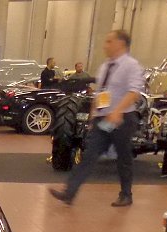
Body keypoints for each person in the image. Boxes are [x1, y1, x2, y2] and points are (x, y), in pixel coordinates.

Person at [50, 29, 144, 207]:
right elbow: (100, 93)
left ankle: (126, 194)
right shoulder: (104, 66)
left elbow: (134, 92)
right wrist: (94, 115)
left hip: (123, 118)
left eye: (109, 41)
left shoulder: (131, 65)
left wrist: (118, 111)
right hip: (103, 119)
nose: (105, 45)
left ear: (120, 44)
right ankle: (69, 193)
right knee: (89, 155)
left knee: (123, 157)